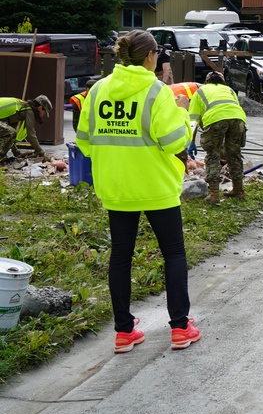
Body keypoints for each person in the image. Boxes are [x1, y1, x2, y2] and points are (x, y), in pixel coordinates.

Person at [75, 30, 201, 353]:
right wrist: (184, 113)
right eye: (157, 53)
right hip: (156, 188)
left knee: (121, 255)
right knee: (173, 254)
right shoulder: (157, 92)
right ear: (149, 57)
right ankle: (180, 328)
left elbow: (85, 143)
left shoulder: (99, 90)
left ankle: (123, 332)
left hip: (117, 189)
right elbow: (175, 141)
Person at [188, 72, 247, 205]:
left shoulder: (201, 91)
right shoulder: (230, 90)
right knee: (234, 154)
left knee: (212, 155)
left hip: (215, 119)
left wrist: (191, 142)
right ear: (223, 82)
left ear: (206, 82)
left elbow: (193, 120)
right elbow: (233, 110)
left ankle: (214, 194)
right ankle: (238, 189)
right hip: (238, 119)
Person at [0, 94, 52, 162]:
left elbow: (11, 137)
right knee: (11, 132)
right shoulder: (29, 111)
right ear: (39, 108)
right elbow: (31, 135)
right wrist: (40, 151)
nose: (43, 115)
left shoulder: (20, 109)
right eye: (44, 112)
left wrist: (16, 151)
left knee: (10, 132)